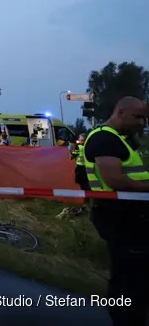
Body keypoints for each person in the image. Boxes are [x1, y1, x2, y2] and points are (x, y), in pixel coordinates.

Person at [84, 96, 149, 326]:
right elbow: (115, 180)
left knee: (137, 278)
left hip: (134, 215)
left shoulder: (123, 139)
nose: (142, 123)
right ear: (120, 112)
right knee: (128, 280)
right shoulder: (104, 139)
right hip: (121, 217)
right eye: (137, 117)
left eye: (145, 118)